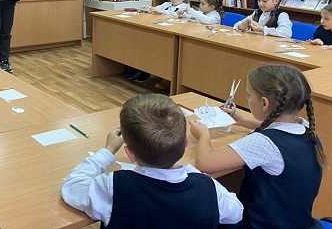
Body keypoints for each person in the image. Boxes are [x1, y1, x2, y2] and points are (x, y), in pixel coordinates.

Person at [61, 93, 243, 228]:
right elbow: (236, 212)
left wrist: (108, 151)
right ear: (186, 142)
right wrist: (191, 171)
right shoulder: (209, 188)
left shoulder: (114, 187)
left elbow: (72, 187)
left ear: (130, 154)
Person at [189, 64, 326, 228]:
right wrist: (242, 119)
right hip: (297, 222)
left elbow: (205, 163)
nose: (247, 98)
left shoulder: (263, 142)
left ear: (264, 103)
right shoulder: (305, 127)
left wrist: (203, 134)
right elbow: (277, 128)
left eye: (248, 95)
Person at [126, 0, 188, 82]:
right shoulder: (166, 4)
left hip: (171, 33)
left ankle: (147, 71)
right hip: (159, 28)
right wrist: (148, 9)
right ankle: (140, 67)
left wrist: (162, 12)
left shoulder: (185, 7)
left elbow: (178, 15)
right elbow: (156, 9)